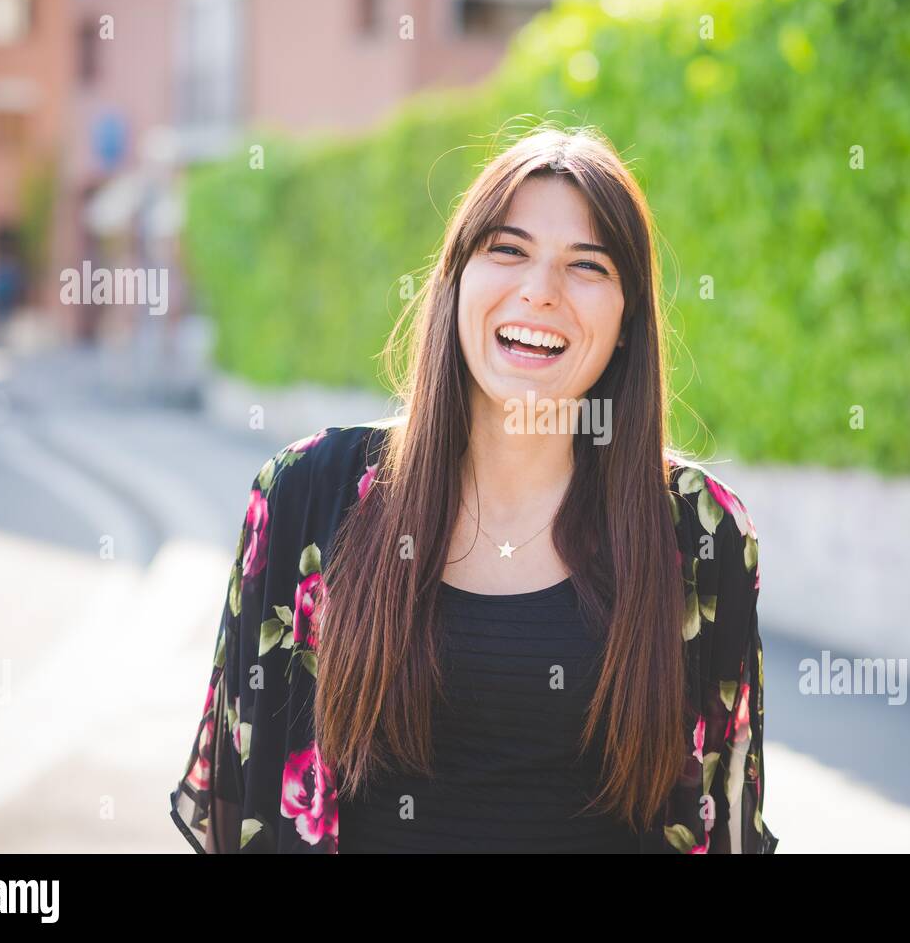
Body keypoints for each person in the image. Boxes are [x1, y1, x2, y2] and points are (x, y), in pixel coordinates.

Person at [168, 125, 777, 854]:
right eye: (508, 250)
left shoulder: (700, 531)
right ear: (455, 281)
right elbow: (245, 807)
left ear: (626, 321)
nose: (539, 292)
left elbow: (721, 815)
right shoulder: (306, 495)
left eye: (588, 266)